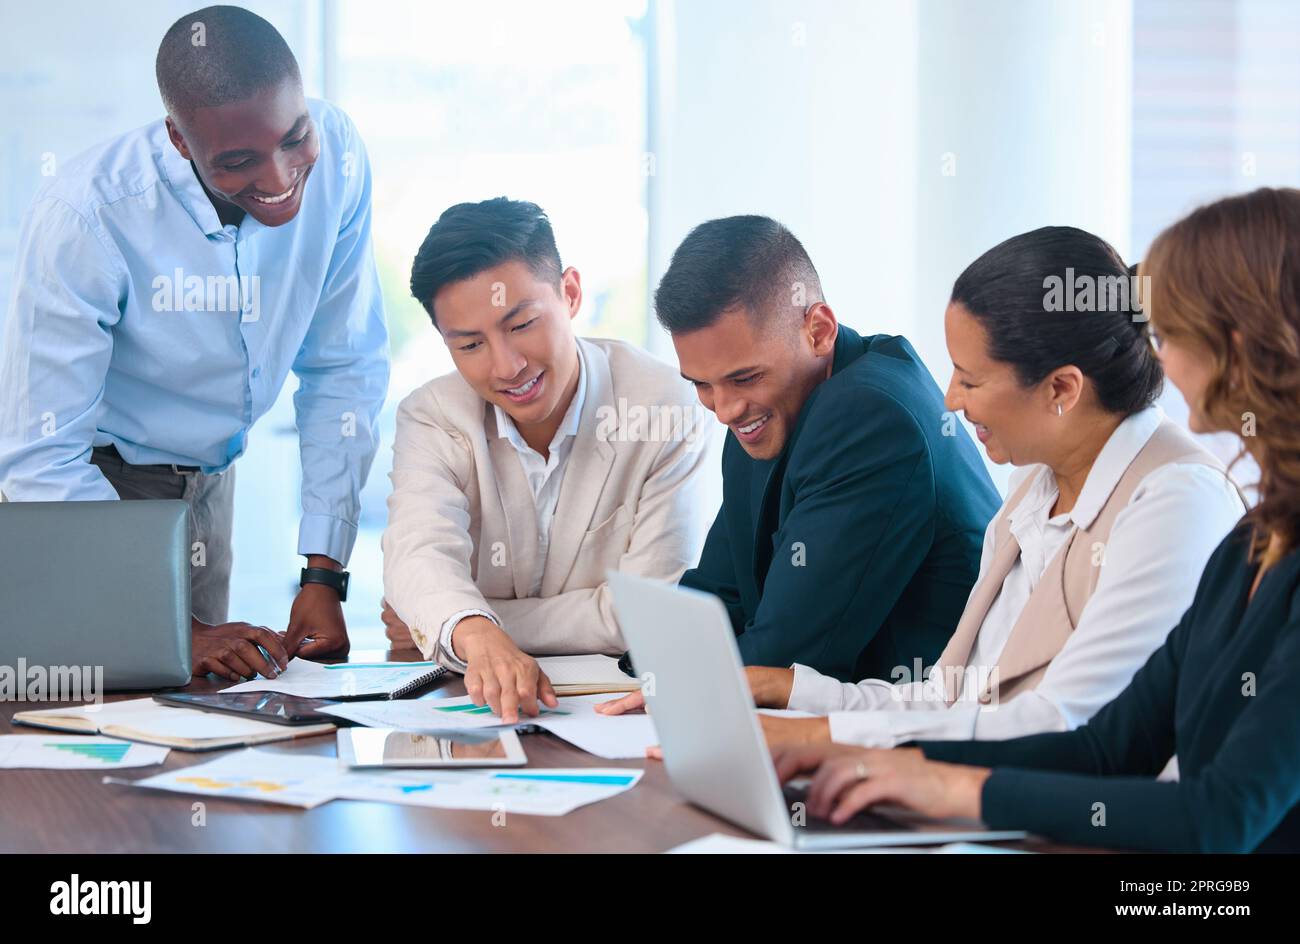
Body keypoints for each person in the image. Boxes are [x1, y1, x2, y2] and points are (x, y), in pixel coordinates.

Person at [773, 188, 1300, 854]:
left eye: (1169, 334)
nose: (1156, 357)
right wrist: (899, 765)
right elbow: (1106, 747)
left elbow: (1220, 817)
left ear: (1237, 347)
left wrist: (953, 788)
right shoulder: (1251, 548)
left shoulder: (1189, 502)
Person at [0, 5, 388, 681]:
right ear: (181, 141)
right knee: (80, 730)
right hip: (92, 491)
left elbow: (342, 366)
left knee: (193, 724)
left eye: (294, 138)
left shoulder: (342, 157)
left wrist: (324, 575)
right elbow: (40, 459)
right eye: (238, 161)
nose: (278, 179)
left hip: (210, 483)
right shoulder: (85, 217)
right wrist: (174, 626)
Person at [752, 227, 1243, 748]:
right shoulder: (1033, 487)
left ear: (1061, 388)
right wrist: (792, 691)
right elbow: (949, 701)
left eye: (970, 379)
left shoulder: (1178, 501)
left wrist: (824, 738)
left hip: (1086, 823)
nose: (950, 400)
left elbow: (1064, 722)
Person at [599, 214, 999, 720]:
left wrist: (667, 676)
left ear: (819, 330)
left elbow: (784, 659)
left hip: (924, 736)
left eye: (744, 377)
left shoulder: (871, 417)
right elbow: (715, 600)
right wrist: (657, 666)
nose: (723, 410)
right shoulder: (766, 415)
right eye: (701, 384)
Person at [381, 198, 712, 723]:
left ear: (571, 293)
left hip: (617, 713)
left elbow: (649, 610)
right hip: (474, 708)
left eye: (521, 325)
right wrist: (470, 629)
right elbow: (418, 553)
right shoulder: (431, 415)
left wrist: (472, 625)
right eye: (469, 345)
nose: (506, 366)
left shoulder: (661, 405)